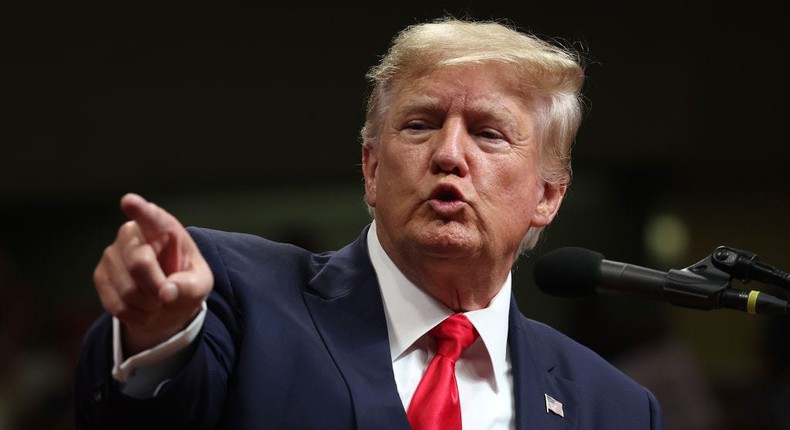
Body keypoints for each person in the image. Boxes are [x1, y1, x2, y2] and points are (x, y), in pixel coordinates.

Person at [74, 16, 666, 430]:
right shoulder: (239, 296)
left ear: (547, 195)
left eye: (488, 133)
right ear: (372, 168)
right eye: (419, 125)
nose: (449, 154)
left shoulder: (615, 408)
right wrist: (158, 333)